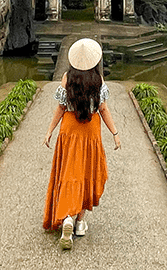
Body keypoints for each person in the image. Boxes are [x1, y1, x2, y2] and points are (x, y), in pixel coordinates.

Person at [42, 38, 122, 250]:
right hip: (90, 133)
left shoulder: (67, 78)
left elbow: (60, 108)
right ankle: (78, 223)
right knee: (87, 173)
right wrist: (115, 132)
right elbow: (103, 109)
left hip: (69, 130)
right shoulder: (98, 79)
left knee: (68, 173)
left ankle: (67, 216)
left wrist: (49, 131)